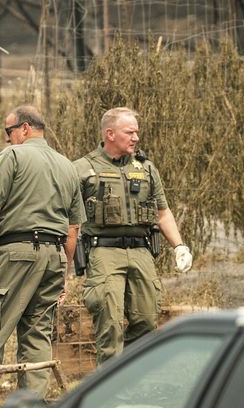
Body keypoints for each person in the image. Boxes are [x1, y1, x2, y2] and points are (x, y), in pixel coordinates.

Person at [0, 106, 85, 402]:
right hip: (55, 257)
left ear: (25, 128)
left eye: (9, 132)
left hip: (16, 254)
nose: (8, 139)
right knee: (37, 337)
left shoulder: (13, 156)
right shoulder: (67, 166)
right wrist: (63, 273)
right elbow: (73, 229)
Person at [73, 107, 192, 365]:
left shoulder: (147, 169)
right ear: (110, 133)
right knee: (110, 322)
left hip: (141, 251)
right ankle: (109, 389)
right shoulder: (83, 169)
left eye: (137, 132)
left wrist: (179, 246)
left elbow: (162, 212)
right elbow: (68, 218)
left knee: (147, 320)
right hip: (104, 252)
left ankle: (130, 376)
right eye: (130, 132)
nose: (136, 137)